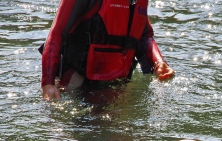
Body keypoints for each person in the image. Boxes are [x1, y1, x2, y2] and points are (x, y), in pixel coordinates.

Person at [40, 0, 174, 100]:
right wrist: (48, 83)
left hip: (119, 82)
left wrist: (158, 63)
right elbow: (56, 34)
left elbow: (142, 36)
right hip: (78, 83)